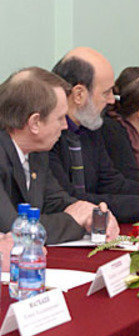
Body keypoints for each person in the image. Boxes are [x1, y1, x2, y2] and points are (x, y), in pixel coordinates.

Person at [49, 47, 139, 223]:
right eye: (106, 92)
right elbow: (70, 199)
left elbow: (113, 184)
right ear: (79, 94)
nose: (112, 100)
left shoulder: (92, 128)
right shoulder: (48, 135)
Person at [0, 67, 119, 244]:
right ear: (34, 123)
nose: (65, 126)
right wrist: (73, 219)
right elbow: (13, 231)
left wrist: (90, 213)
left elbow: (54, 201)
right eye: (60, 118)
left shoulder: (37, 153)